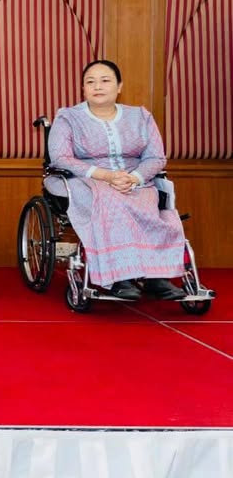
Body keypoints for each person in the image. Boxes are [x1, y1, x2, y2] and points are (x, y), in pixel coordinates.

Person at [45, 60, 186, 301]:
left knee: (147, 203)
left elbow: (156, 157)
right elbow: (61, 158)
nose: (97, 86)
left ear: (119, 86)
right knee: (112, 200)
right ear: (83, 88)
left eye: (105, 80)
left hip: (136, 180)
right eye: (90, 82)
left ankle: (155, 276)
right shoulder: (68, 118)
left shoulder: (140, 116)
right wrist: (106, 176)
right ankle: (120, 277)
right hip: (84, 180)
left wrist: (134, 177)